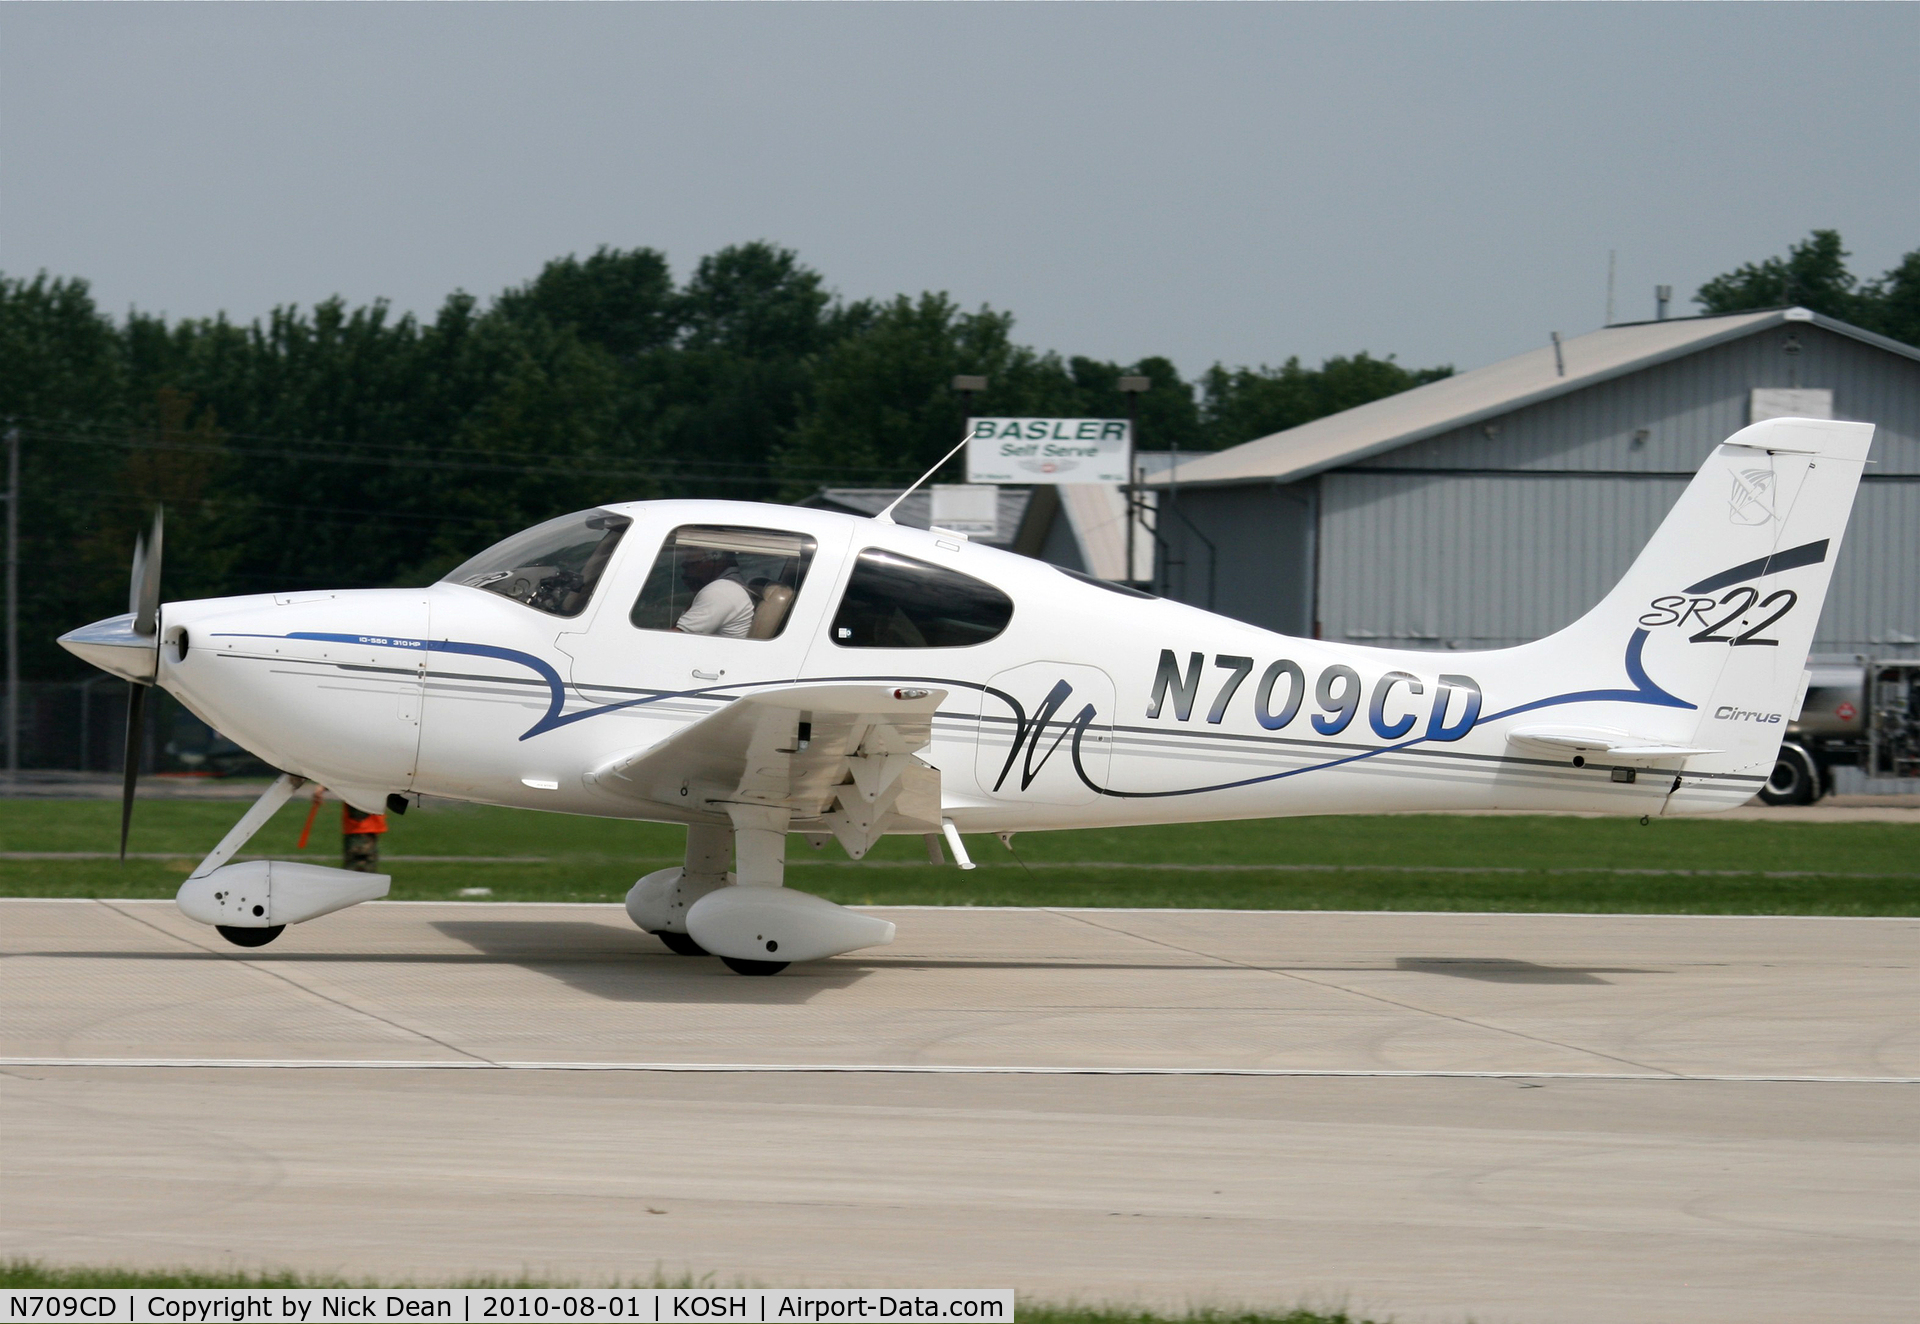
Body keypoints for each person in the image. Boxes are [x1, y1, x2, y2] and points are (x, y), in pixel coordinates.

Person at [673, 548, 755, 638]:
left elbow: (673, 639)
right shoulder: (727, 587)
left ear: (715, 559)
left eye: (692, 564)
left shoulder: (720, 592)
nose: (685, 568)